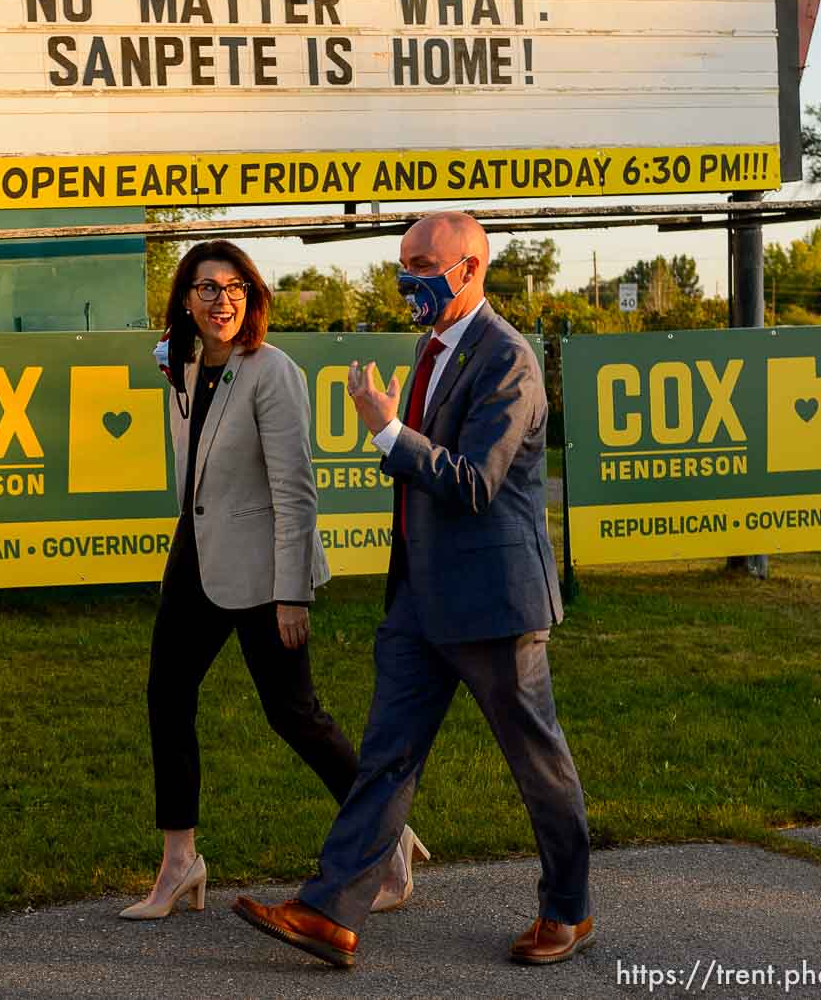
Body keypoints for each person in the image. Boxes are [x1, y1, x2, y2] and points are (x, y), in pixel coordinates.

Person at [234, 211, 592, 968]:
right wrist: (395, 433)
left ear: (471, 267)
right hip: (420, 602)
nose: (409, 278)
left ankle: (568, 910)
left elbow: (473, 484)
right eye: (404, 263)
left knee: (537, 762)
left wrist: (389, 434)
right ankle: (330, 912)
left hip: (495, 603)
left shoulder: (509, 361)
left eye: (424, 263)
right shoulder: (432, 348)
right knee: (386, 758)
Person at [121, 239, 424, 920]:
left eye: (234, 287)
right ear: (186, 300)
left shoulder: (272, 370)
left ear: (252, 298)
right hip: (195, 555)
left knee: (293, 715)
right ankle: (179, 863)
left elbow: (296, 489)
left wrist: (293, 591)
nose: (221, 300)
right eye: (206, 288)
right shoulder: (185, 366)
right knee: (166, 697)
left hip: (265, 569)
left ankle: (388, 835)